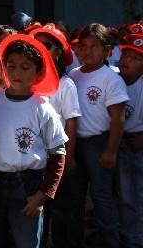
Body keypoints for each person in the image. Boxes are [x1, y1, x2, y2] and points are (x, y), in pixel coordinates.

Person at [0, 34, 68, 248]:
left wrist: (43, 195)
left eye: (25, 67)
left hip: (28, 186)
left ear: (38, 73)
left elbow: (58, 154)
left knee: (27, 241)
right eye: (11, 66)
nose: (16, 73)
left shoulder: (43, 108)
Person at [69, 24, 129, 248]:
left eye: (94, 46)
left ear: (107, 51)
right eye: (82, 46)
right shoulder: (73, 76)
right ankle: (76, 240)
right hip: (76, 142)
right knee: (76, 195)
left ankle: (110, 241)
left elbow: (118, 117)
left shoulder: (110, 78)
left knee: (102, 195)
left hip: (99, 142)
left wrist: (111, 151)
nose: (87, 51)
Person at [28, 23, 81, 247]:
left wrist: (68, 156)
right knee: (37, 210)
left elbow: (71, 121)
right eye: (37, 43)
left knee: (59, 208)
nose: (40, 48)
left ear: (58, 52)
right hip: (33, 154)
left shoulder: (66, 84)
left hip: (55, 153)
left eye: (46, 45)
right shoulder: (29, 79)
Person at [117, 29, 143, 247]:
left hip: (135, 145)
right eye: (126, 55)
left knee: (132, 197)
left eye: (135, 58)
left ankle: (134, 240)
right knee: (116, 194)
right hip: (114, 142)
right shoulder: (114, 79)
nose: (128, 60)